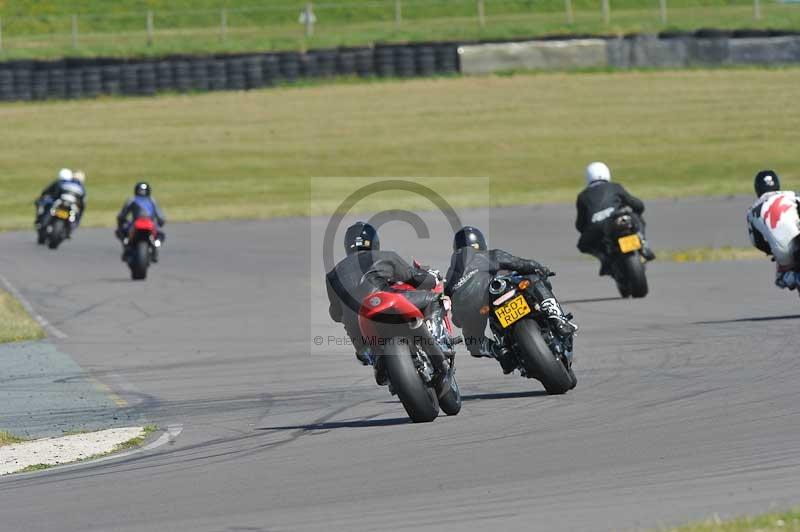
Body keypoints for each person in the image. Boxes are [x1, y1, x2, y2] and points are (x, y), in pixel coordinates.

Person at [444, 226, 576, 374]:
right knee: (534, 278)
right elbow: (522, 264)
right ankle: (557, 318)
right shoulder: (488, 255)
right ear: (481, 243)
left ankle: (501, 351)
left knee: (474, 343)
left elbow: (456, 318)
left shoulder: (449, 278)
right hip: (494, 294)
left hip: (475, 308)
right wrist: (540, 268)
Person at [325, 222, 438, 376]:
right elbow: (415, 278)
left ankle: (378, 362)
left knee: (364, 352)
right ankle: (436, 340)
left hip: (361, 334)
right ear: (374, 241)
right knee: (434, 299)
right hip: (389, 305)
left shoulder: (332, 276)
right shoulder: (385, 256)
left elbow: (336, 314)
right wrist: (434, 279)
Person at [575, 162, 655, 275]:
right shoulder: (615, 186)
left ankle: (604, 259)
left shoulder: (582, 196)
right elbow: (637, 204)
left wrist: (589, 228)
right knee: (635, 215)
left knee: (583, 245)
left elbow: (580, 224)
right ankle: (644, 244)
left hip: (598, 227)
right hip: (618, 220)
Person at [746, 170, 800, 290]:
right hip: (797, 240)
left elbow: (757, 242)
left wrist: (770, 250)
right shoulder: (791, 195)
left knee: (780, 276)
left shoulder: (752, 212)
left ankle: (791, 277)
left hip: (783, 253)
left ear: (757, 189)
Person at [116, 182, 166, 262]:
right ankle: (155, 247)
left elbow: (122, 215)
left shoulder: (132, 200)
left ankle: (126, 245)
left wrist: (121, 222)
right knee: (161, 235)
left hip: (141, 225)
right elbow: (160, 217)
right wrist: (161, 222)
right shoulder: (152, 200)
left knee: (120, 231)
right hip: (146, 225)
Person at [35, 168, 87, 234]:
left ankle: (69, 228)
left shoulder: (62, 183)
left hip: (62, 204)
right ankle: (70, 229)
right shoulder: (81, 187)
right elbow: (82, 202)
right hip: (66, 205)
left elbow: (52, 193)